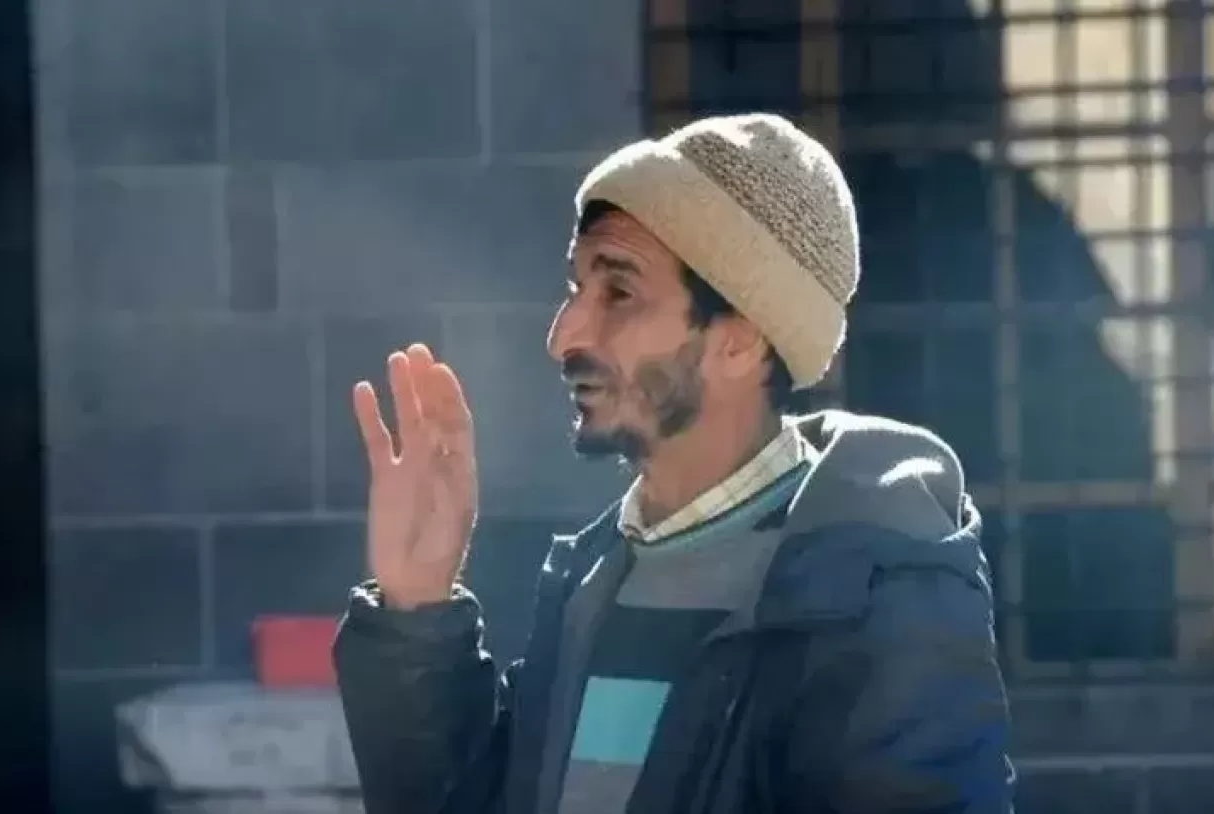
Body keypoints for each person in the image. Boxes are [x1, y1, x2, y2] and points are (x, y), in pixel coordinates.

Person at [334, 113, 1015, 814]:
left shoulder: (876, 592)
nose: (563, 335)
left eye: (618, 293)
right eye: (575, 289)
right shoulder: (591, 580)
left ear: (740, 342)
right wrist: (417, 611)